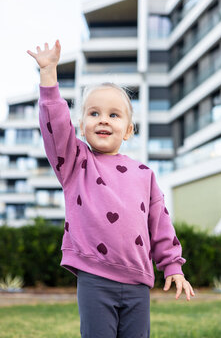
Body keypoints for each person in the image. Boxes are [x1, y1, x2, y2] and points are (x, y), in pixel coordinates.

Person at [27, 40, 195, 338]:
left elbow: (160, 225)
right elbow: (55, 124)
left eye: (114, 115)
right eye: (94, 113)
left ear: (129, 130)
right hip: (95, 279)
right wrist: (49, 76)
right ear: (80, 125)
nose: (103, 119)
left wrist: (173, 266)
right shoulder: (74, 162)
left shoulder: (145, 174)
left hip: (138, 282)